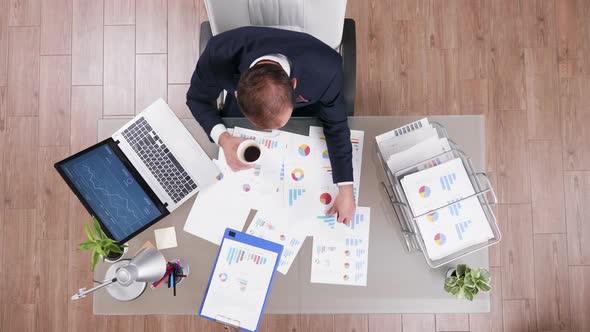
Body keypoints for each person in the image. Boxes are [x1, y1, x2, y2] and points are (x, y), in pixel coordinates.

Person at [187, 26, 355, 224]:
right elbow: (197, 99)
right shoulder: (218, 55)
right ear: (237, 93)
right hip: (244, 113)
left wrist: (346, 189)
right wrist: (223, 139)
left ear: (293, 85)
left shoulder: (326, 69)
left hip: (307, 111)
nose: (274, 133)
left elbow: (336, 125)